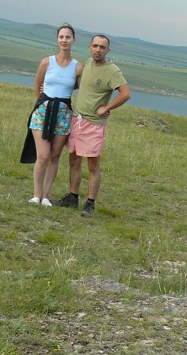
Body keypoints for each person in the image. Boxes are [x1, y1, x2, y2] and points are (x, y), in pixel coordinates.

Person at [55, 34, 131, 217]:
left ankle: (90, 203)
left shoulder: (112, 71)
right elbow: (81, 85)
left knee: (92, 165)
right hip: (77, 119)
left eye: (102, 47)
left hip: (94, 124)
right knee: (73, 160)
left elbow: (125, 93)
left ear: (108, 51)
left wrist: (107, 107)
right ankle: (72, 198)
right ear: (90, 48)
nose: (98, 50)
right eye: (95, 46)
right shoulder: (88, 63)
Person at [25, 24, 83, 206]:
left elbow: (82, 87)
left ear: (74, 40)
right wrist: (42, 102)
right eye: (61, 37)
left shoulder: (78, 67)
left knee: (55, 156)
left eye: (68, 37)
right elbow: (37, 84)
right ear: (57, 39)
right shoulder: (46, 62)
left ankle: (46, 196)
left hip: (64, 114)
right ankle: (36, 194)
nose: (64, 40)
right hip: (43, 112)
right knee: (42, 155)